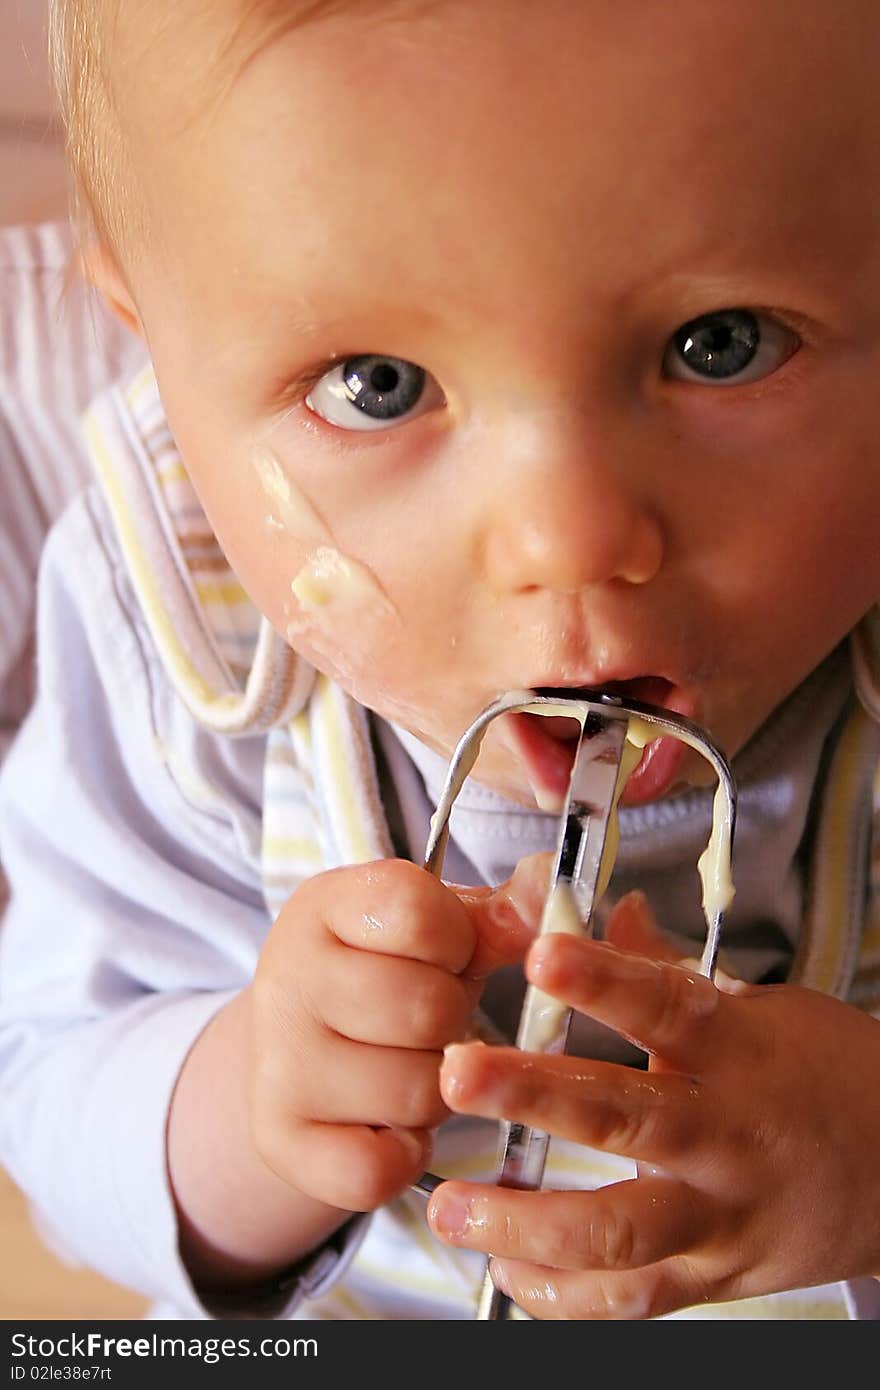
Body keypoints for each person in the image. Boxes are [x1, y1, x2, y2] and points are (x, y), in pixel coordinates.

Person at [0, 0, 879, 1321]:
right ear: (151, 334)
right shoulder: (184, 624)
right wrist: (249, 1107)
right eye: (375, 385)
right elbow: (52, 1091)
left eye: (723, 343)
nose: (569, 538)